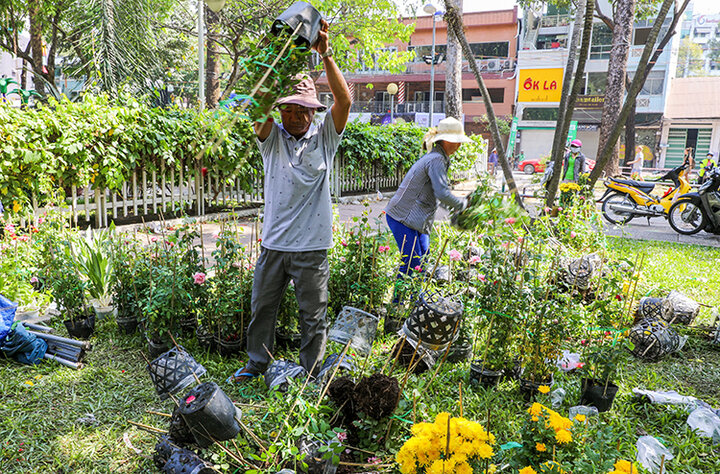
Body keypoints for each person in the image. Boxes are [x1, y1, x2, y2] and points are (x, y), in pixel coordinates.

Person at [229, 19, 352, 383]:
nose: (296, 116)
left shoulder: (325, 137)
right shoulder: (272, 140)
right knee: (262, 308)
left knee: (313, 314)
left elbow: (344, 101)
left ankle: (312, 370)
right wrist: (279, 58)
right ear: (279, 109)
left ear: (314, 111)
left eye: (303, 109)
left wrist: (325, 55)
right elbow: (257, 104)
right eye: (289, 108)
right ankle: (256, 365)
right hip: (274, 245)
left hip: (312, 248)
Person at [385, 117, 470, 278]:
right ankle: (398, 302)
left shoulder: (439, 158)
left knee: (422, 261)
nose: (459, 145)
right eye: (456, 141)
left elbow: (439, 194)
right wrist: (464, 205)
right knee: (412, 263)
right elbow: (442, 193)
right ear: (444, 140)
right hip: (402, 217)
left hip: (416, 220)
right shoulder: (436, 159)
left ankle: (416, 300)